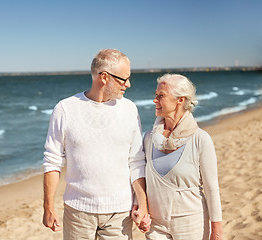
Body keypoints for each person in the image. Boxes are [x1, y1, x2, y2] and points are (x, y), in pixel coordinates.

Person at [42, 49, 150, 240]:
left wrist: (143, 204)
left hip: (120, 213)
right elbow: (52, 161)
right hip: (77, 212)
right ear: (104, 77)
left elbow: (136, 161)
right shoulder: (65, 109)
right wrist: (48, 207)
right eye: (123, 79)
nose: (128, 84)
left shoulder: (129, 109)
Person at [138, 73, 223, 239]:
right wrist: (141, 209)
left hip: (191, 223)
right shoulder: (149, 138)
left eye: (160, 96)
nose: (154, 100)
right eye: (155, 96)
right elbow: (142, 178)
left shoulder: (200, 139)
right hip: (155, 225)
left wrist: (217, 232)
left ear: (180, 100)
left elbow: (212, 189)